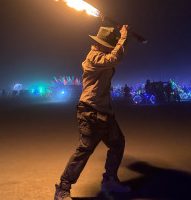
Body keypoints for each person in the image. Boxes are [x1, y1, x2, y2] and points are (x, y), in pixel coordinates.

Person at [54, 26, 132, 200]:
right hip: (90, 110)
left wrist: (119, 36)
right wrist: (124, 36)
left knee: (118, 143)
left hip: (105, 111)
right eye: (108, 45)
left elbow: (113, 57)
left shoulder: (102, 56)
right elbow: (116, 57)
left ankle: (110, 180)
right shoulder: (93, 57)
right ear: (100, 44)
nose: (111, 48)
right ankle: (62, 188)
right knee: (85, 149)